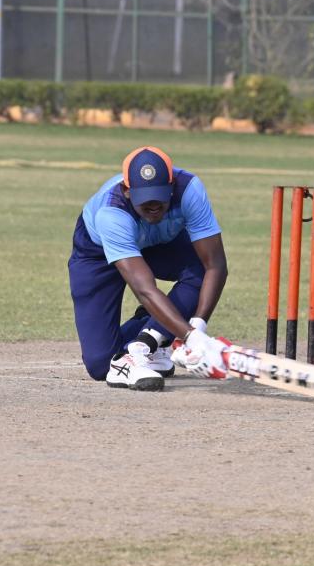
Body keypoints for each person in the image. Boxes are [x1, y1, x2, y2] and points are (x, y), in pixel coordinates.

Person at [68, 146, 230, 391]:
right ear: (128, 191)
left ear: (172, 186)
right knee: (102, 365)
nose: (154, 205)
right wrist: (190, 337)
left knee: (199, 270)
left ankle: (151, 338)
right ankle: (153, 322)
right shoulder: (111, 213)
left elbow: (215, 264)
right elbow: (144, 289)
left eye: (160, 195)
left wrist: (198, 327)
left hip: (160, 243)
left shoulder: (190, 189)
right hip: (97, 253)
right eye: (145, 198)